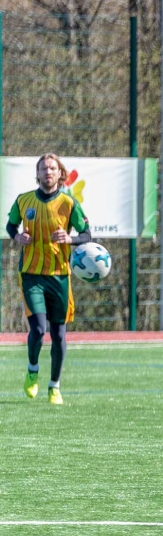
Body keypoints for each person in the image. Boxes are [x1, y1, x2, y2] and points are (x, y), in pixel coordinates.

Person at [7, 154, 91, 405]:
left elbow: (87, 234)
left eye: (52, 168)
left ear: (59, 173)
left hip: (60, 277)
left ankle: (54, 386)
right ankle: (33, 370)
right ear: (38, 173)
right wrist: (17, 237)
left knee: (59, 334)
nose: (48, 172)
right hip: (32, 275)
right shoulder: (24, 201)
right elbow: (11, 226)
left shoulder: (68, 203)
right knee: (39, 329)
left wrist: (70, 239)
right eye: (44, 168)